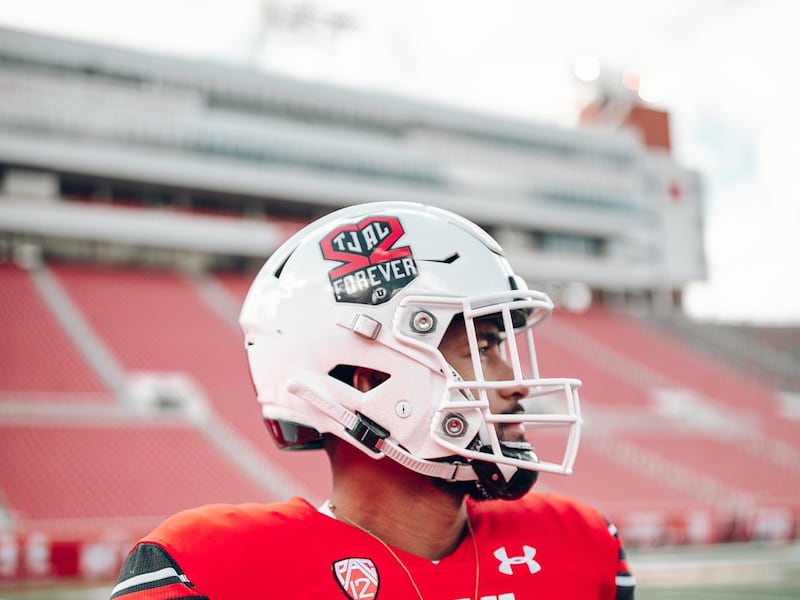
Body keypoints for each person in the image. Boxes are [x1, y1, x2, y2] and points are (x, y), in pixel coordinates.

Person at [110, 201, 635, 599]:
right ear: (366, 380)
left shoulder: (576, 545)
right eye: (485, 346)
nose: (516, 385)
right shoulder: (215, 573)